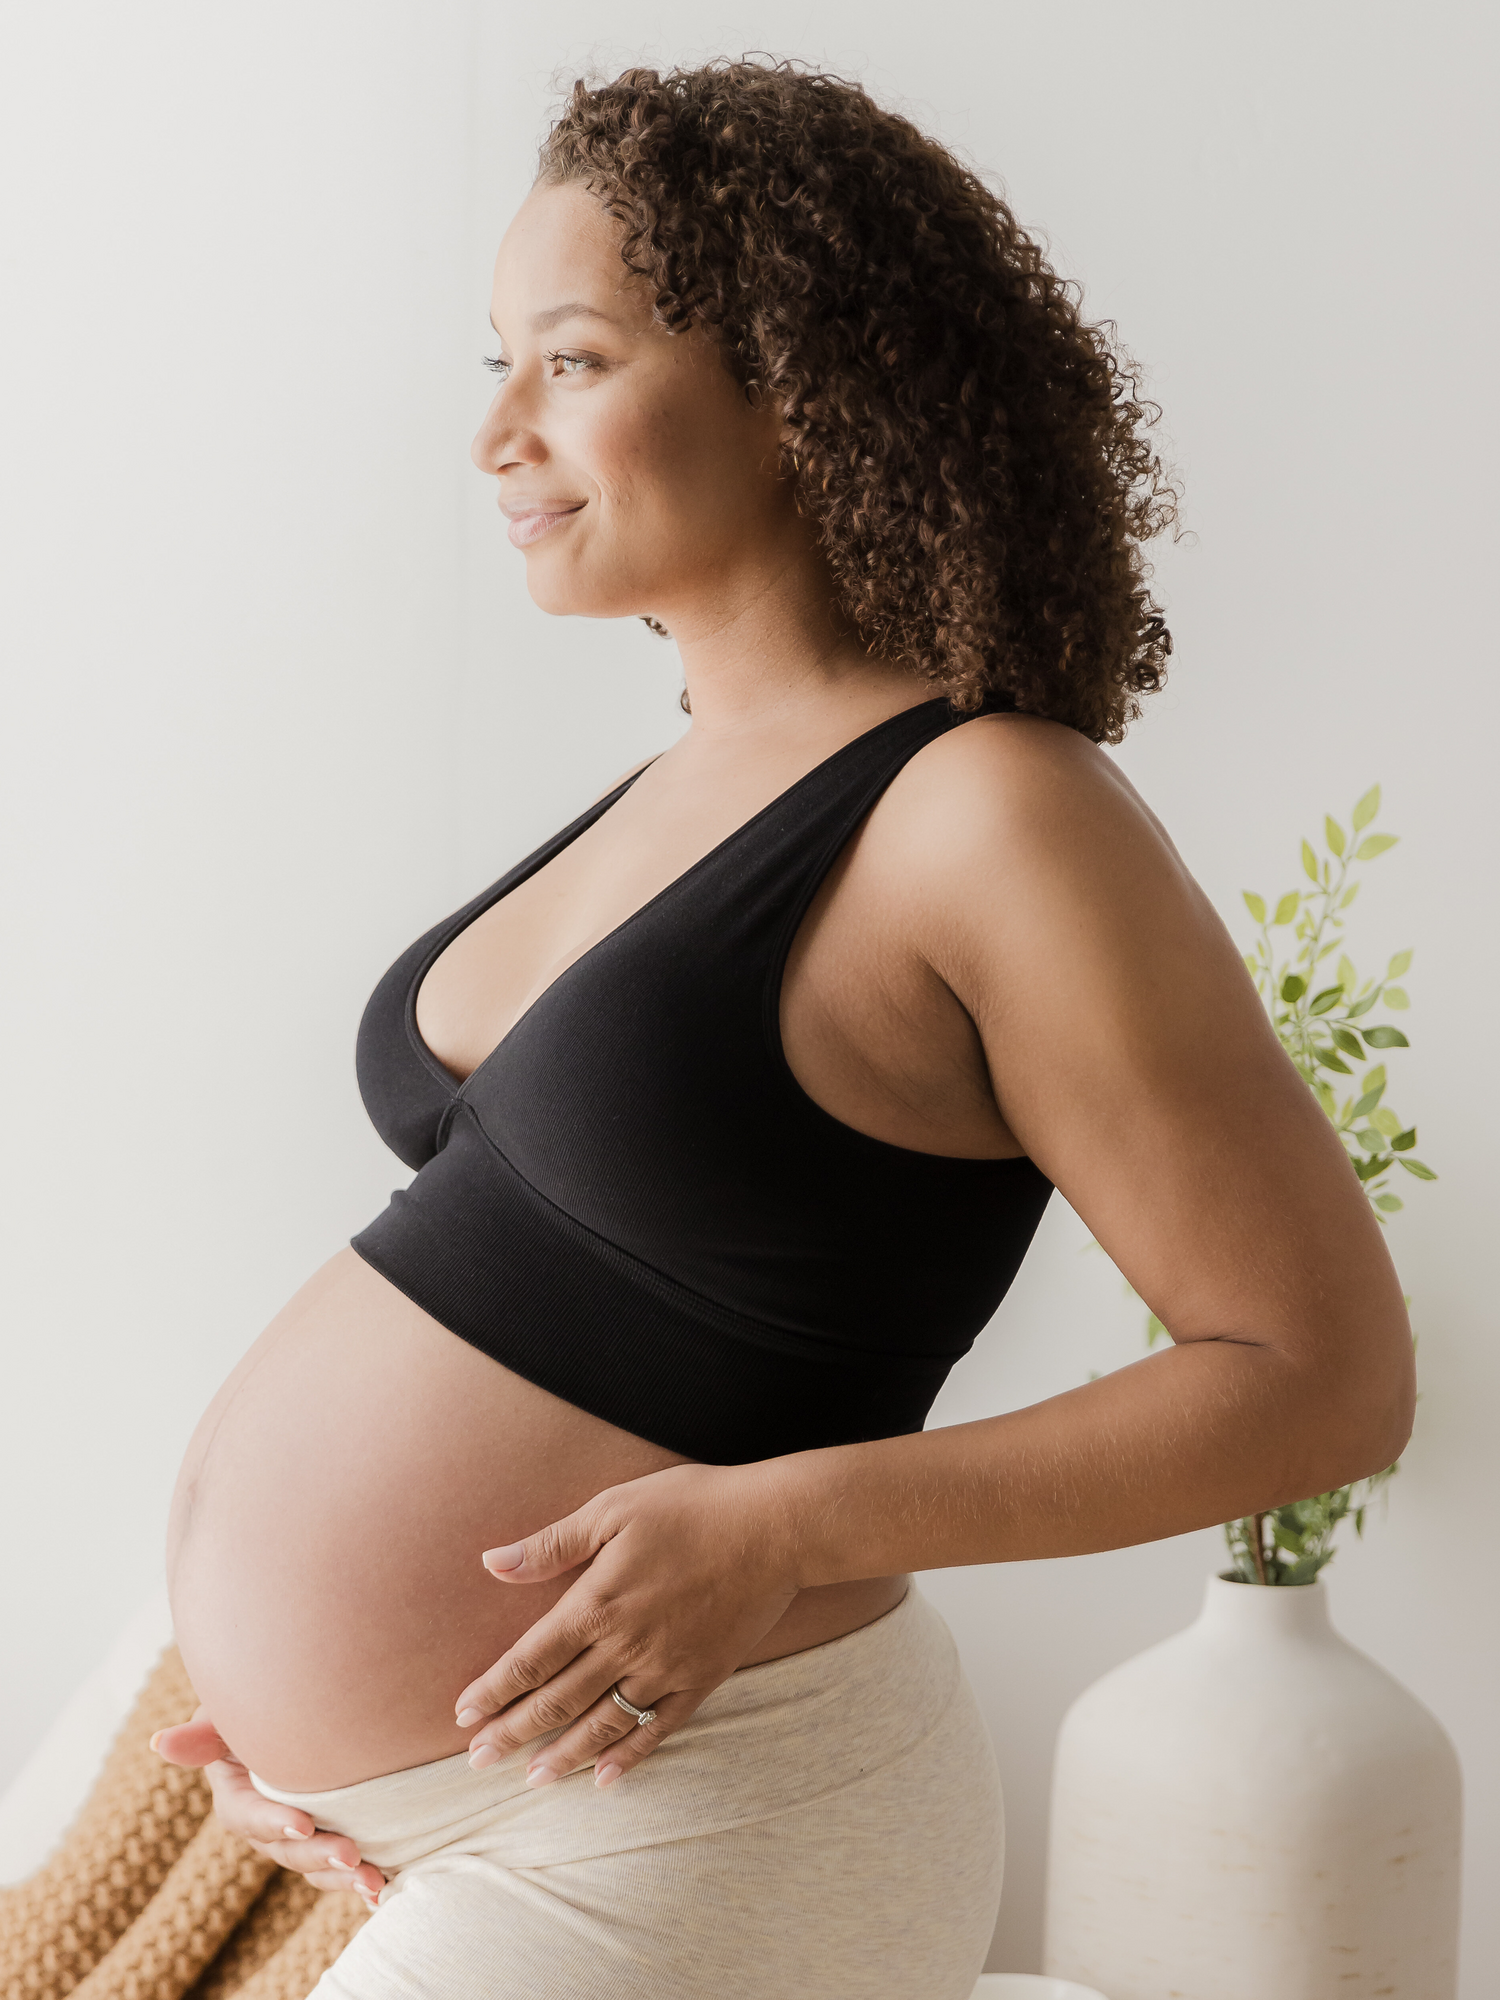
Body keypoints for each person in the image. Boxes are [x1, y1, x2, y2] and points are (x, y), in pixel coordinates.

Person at [151, 58, 1414, 2000]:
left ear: (810, 384)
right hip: (482, 1817)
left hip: (700, 1820)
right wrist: (312, 1716)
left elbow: (1319, 1375)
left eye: (568, 358)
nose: (498, 430)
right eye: (492, 360)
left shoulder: (995, 809)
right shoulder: (701, 772)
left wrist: (784, 1520)